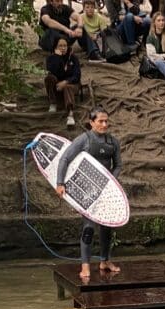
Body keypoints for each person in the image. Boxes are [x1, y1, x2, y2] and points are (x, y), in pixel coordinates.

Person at [55, 106, 123, 281]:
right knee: (89, 228)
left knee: (107, 227)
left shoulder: (113, 142)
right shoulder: (83, 140)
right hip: (87, 191)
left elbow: (118, 165)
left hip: (105, 190)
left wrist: (111, 181)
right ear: (91, 122)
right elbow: (65, 158)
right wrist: (60, 182)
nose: (104, 124)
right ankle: (85, 265)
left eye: (106, 121)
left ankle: (105, 261)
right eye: (100, 121)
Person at [44, 38, 82, 126]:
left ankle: (70, 114)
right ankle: (53, 102)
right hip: (57, 86)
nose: (63, 48)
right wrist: (57, 58)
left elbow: (77, 75)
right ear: (55, 47)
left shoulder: (73, 58)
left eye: (65, 45)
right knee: (49, 78)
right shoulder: (51, 58)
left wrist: (66, 82)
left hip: (71, 86)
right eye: (60, 46)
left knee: (67, 86)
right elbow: (53, 72)